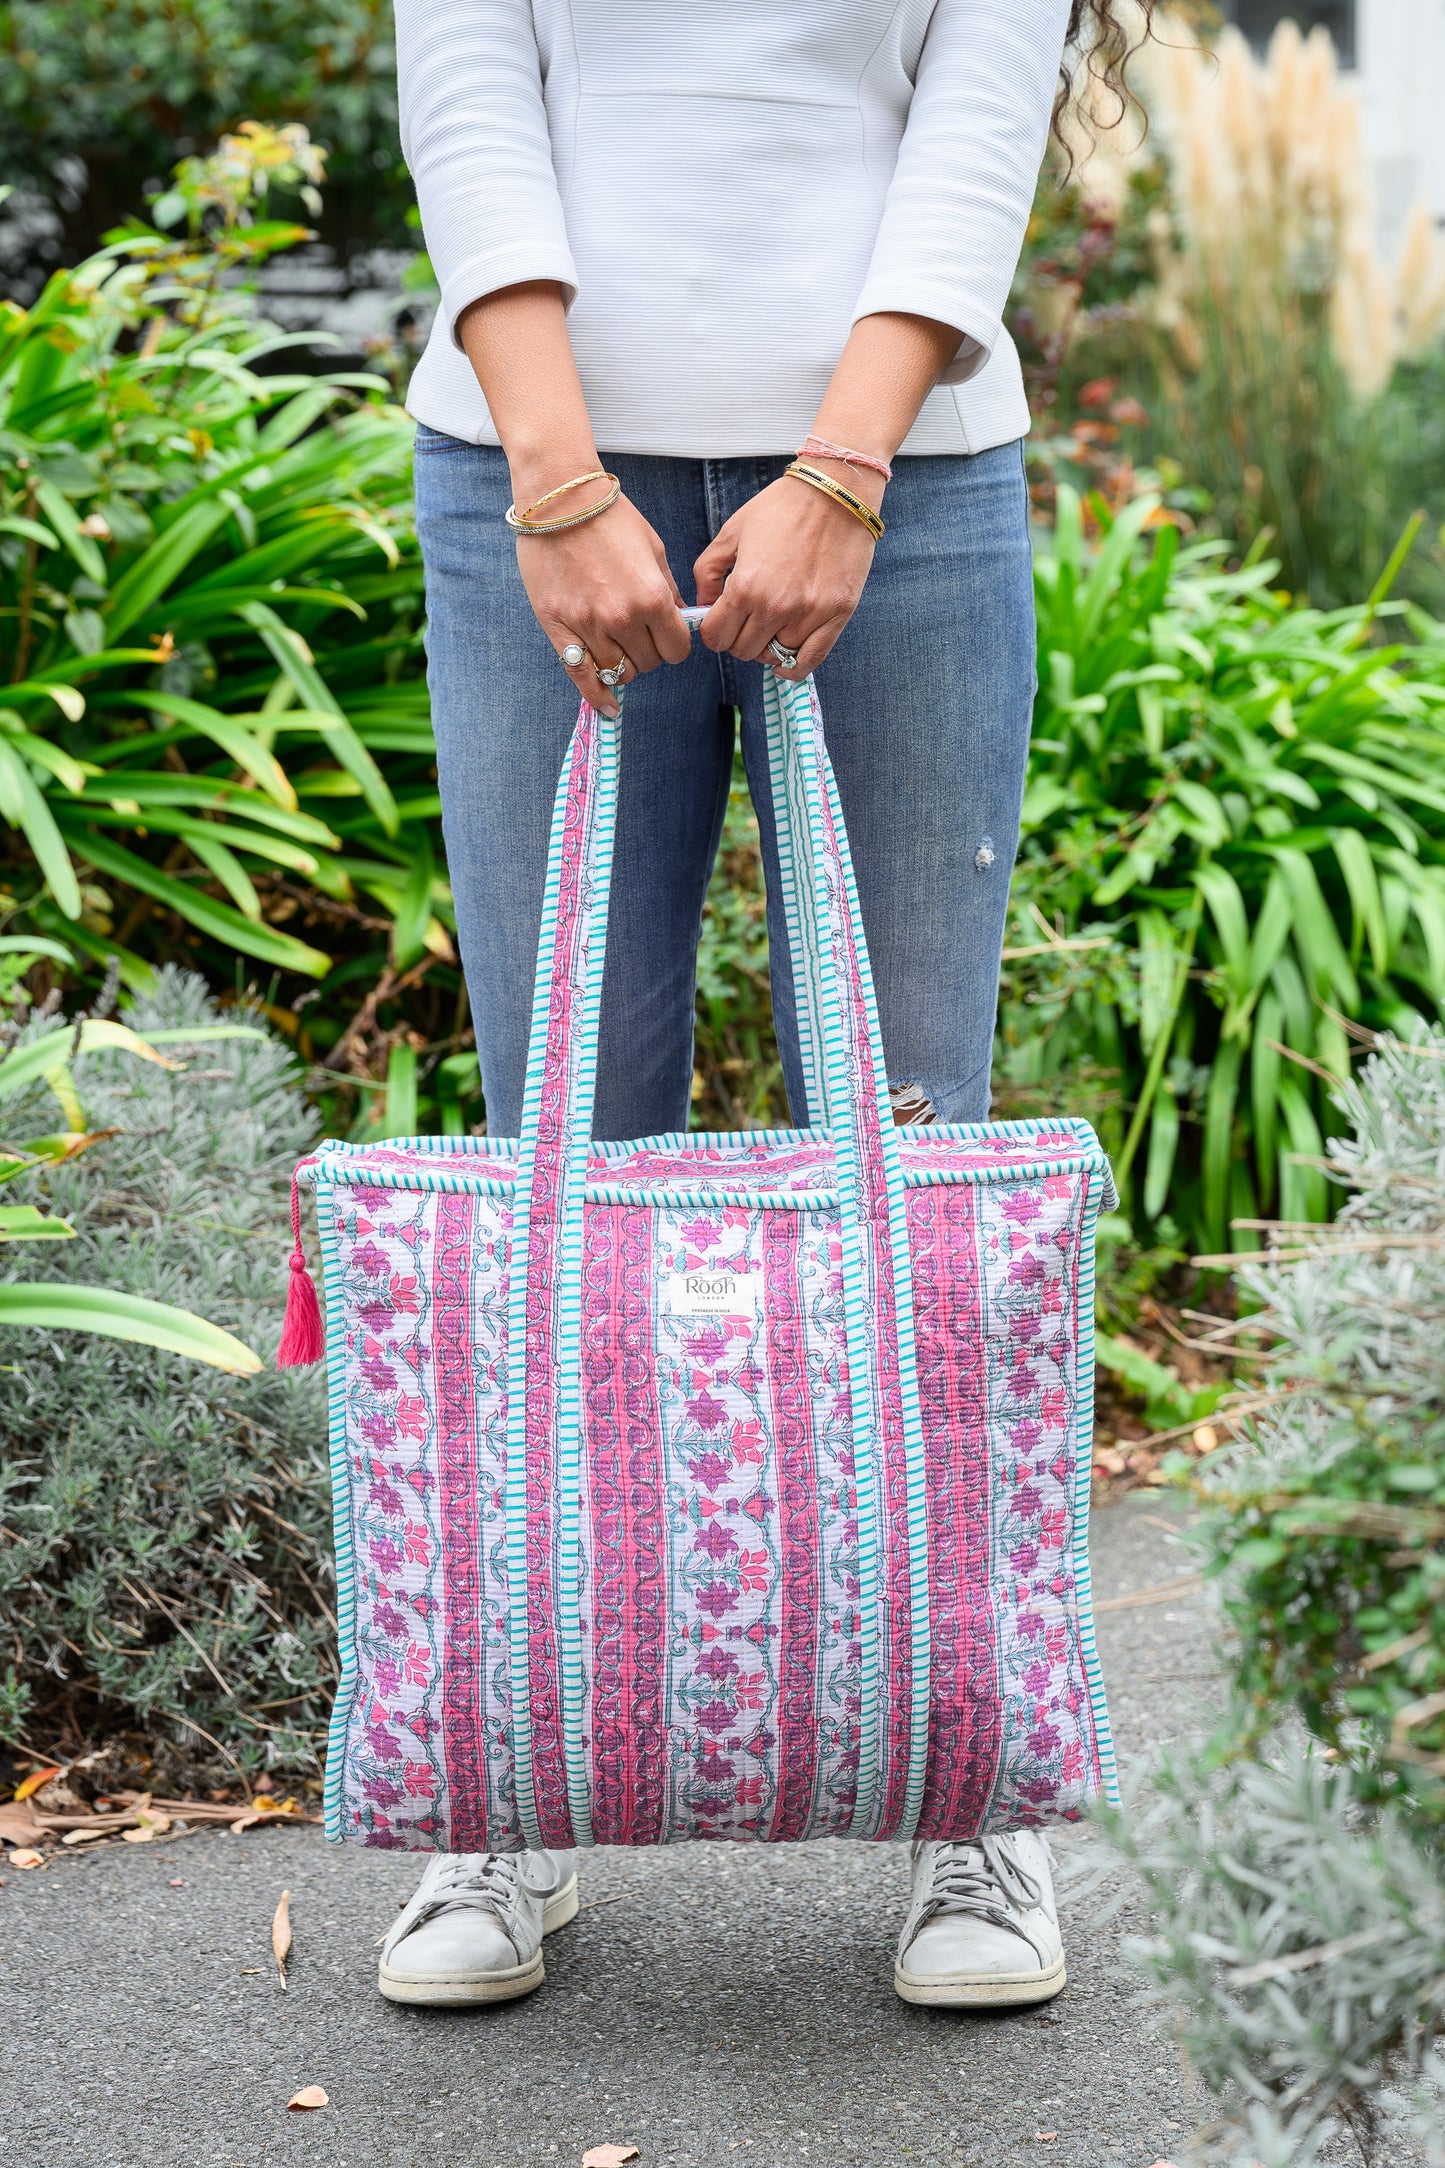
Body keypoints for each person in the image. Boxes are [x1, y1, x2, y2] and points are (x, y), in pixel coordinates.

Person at [378, 0, 1147, 2013]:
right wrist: (556, 479)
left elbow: (981, 115)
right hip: (524, 480)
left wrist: (841, 460)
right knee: (572, 1126)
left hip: (902, 491)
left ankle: (968, 1795)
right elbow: (468, 89)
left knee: (910, 1126)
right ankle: (514, 1777)